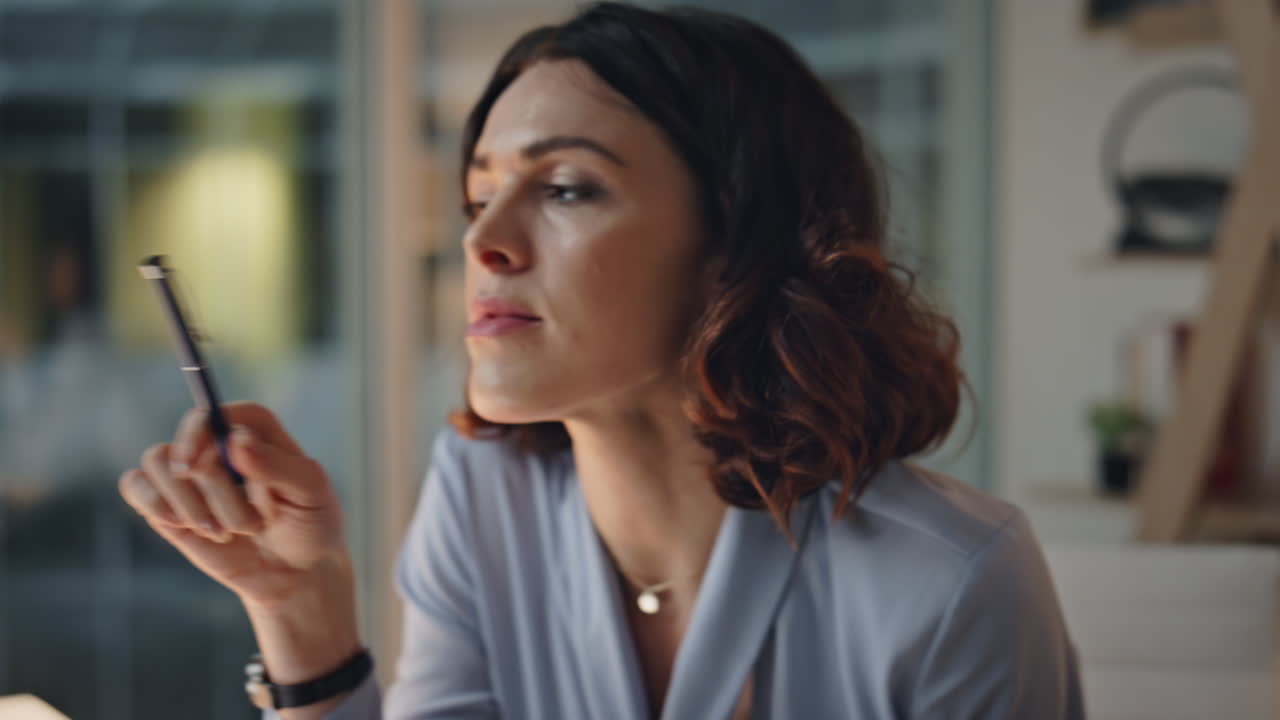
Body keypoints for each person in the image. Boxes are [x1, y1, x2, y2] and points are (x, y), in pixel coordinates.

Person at [118, 3, 1084, 719]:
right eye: (478, 197)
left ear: (735, 242)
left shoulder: (951, 582)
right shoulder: (484, 495)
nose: (483, 240)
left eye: (567, 188)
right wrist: (298, 605)